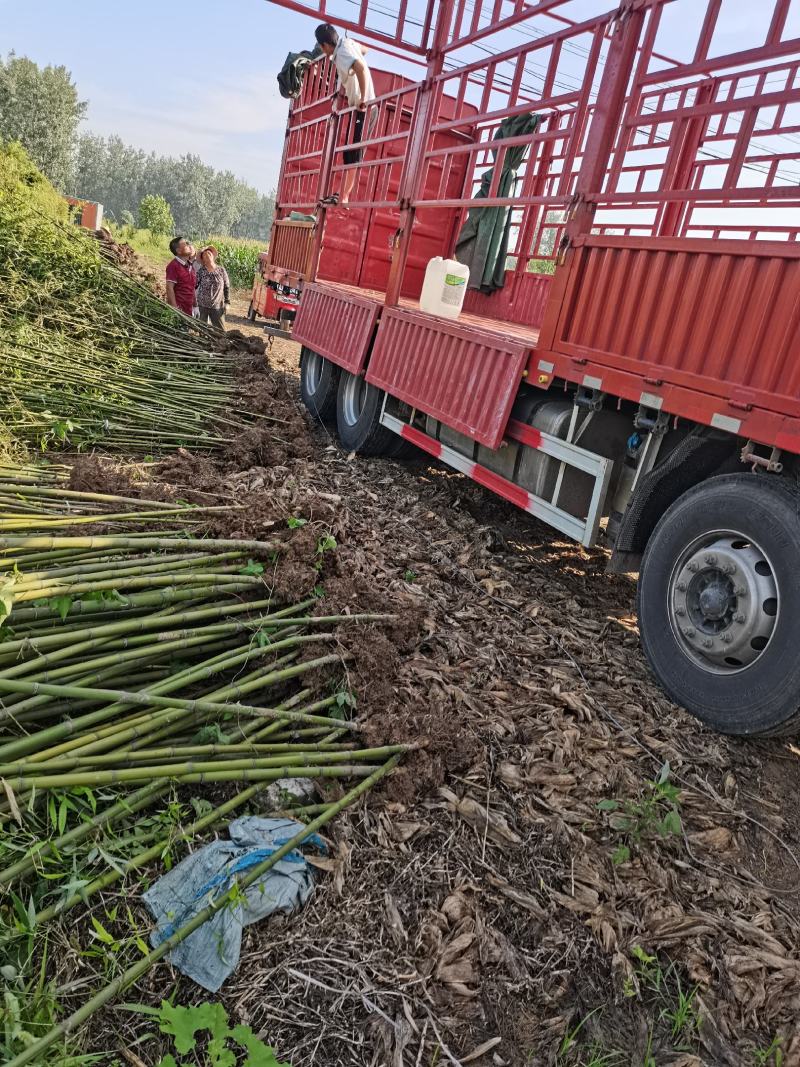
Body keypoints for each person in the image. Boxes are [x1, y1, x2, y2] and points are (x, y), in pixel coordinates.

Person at [314, 23, 375, 205]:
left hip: (364, 106)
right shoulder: (348, 44)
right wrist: (357, 53)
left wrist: (363, 99)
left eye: (321, 47)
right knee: (349, 153)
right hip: (360, 106)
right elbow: (366, 50)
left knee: (353, 154)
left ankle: (345, 196)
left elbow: (360, 68)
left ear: (324, 45)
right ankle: (342, 193)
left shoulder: (341, 54)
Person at [195, 246, 230, 329]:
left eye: (209, 253)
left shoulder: (221, 270)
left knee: (220, 330)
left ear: (213, 256)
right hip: (202, 305)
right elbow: (195, 285)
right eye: (204, 255)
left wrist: (227, 302)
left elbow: (226, 286)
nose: (207, 255)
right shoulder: (201, 271)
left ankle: (219, 342)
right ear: (203, 260)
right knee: (202, 329)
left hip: (217, 306)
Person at [165, 236, 197, 317]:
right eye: (185, 244)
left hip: (189, 311)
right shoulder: (173, 266)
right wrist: (175, 310)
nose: (189, 245)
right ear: (178, 251)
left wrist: (195, 305)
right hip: (180, 312)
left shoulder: (190, 266)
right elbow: (169, 288)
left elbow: (192, 288)